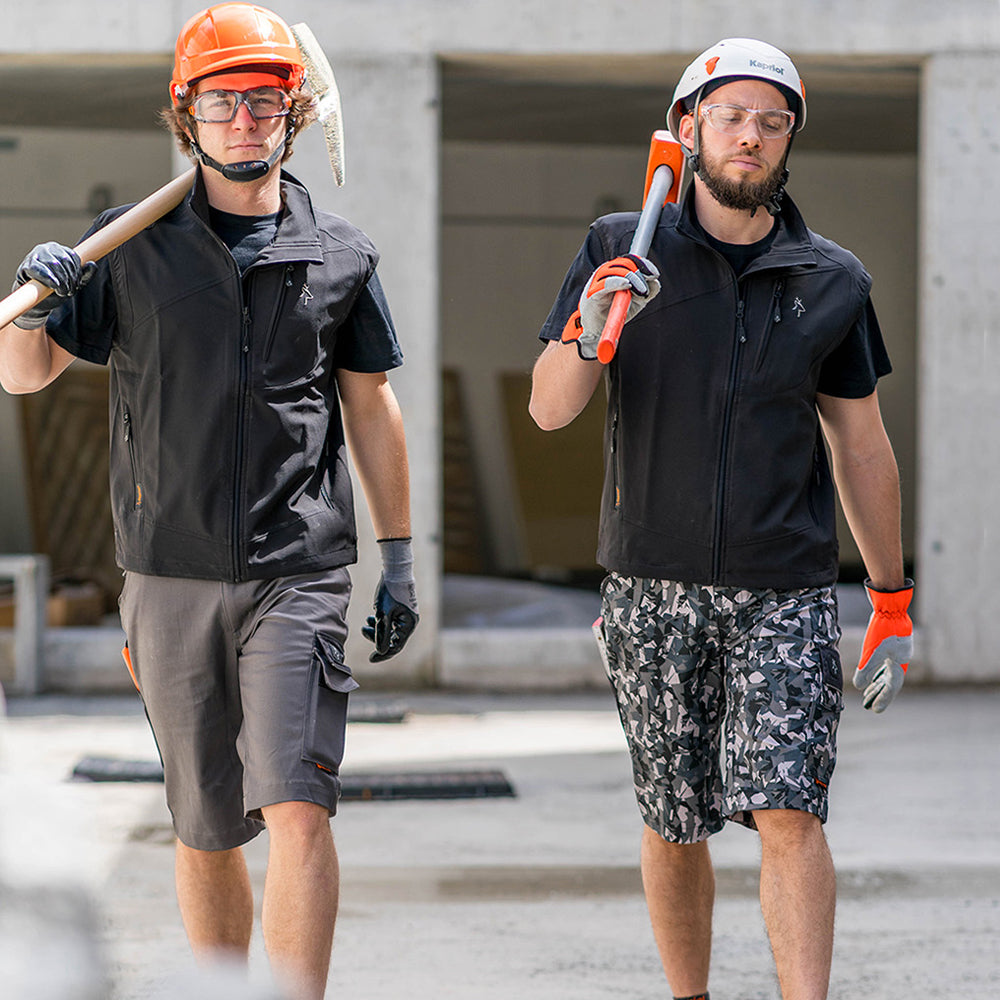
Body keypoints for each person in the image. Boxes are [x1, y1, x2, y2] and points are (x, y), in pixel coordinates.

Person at [0, 4, 418, 998]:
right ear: (184, 117)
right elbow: (23, 375)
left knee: (297, 807)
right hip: (166, 569)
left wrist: (397, 556)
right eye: (222, 102)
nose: (244, 121)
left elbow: (372, 404)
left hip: (297, 568)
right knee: (204, 823)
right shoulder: (128, 249)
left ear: (293, 114)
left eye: (263, 103)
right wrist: (35, 291)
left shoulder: (338, 255)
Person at [529, 37, 913, 1000]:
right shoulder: (621, 247)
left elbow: (860, 445)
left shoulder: (832, 280)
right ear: (687, 127)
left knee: (789, 809)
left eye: (772, 122)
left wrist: (891, 599)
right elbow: (548, 408)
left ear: (789, 143)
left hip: (784, 588)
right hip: (650, 588)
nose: (752, 137)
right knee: (674, 818)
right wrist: (593, 323)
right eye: (732, 116)